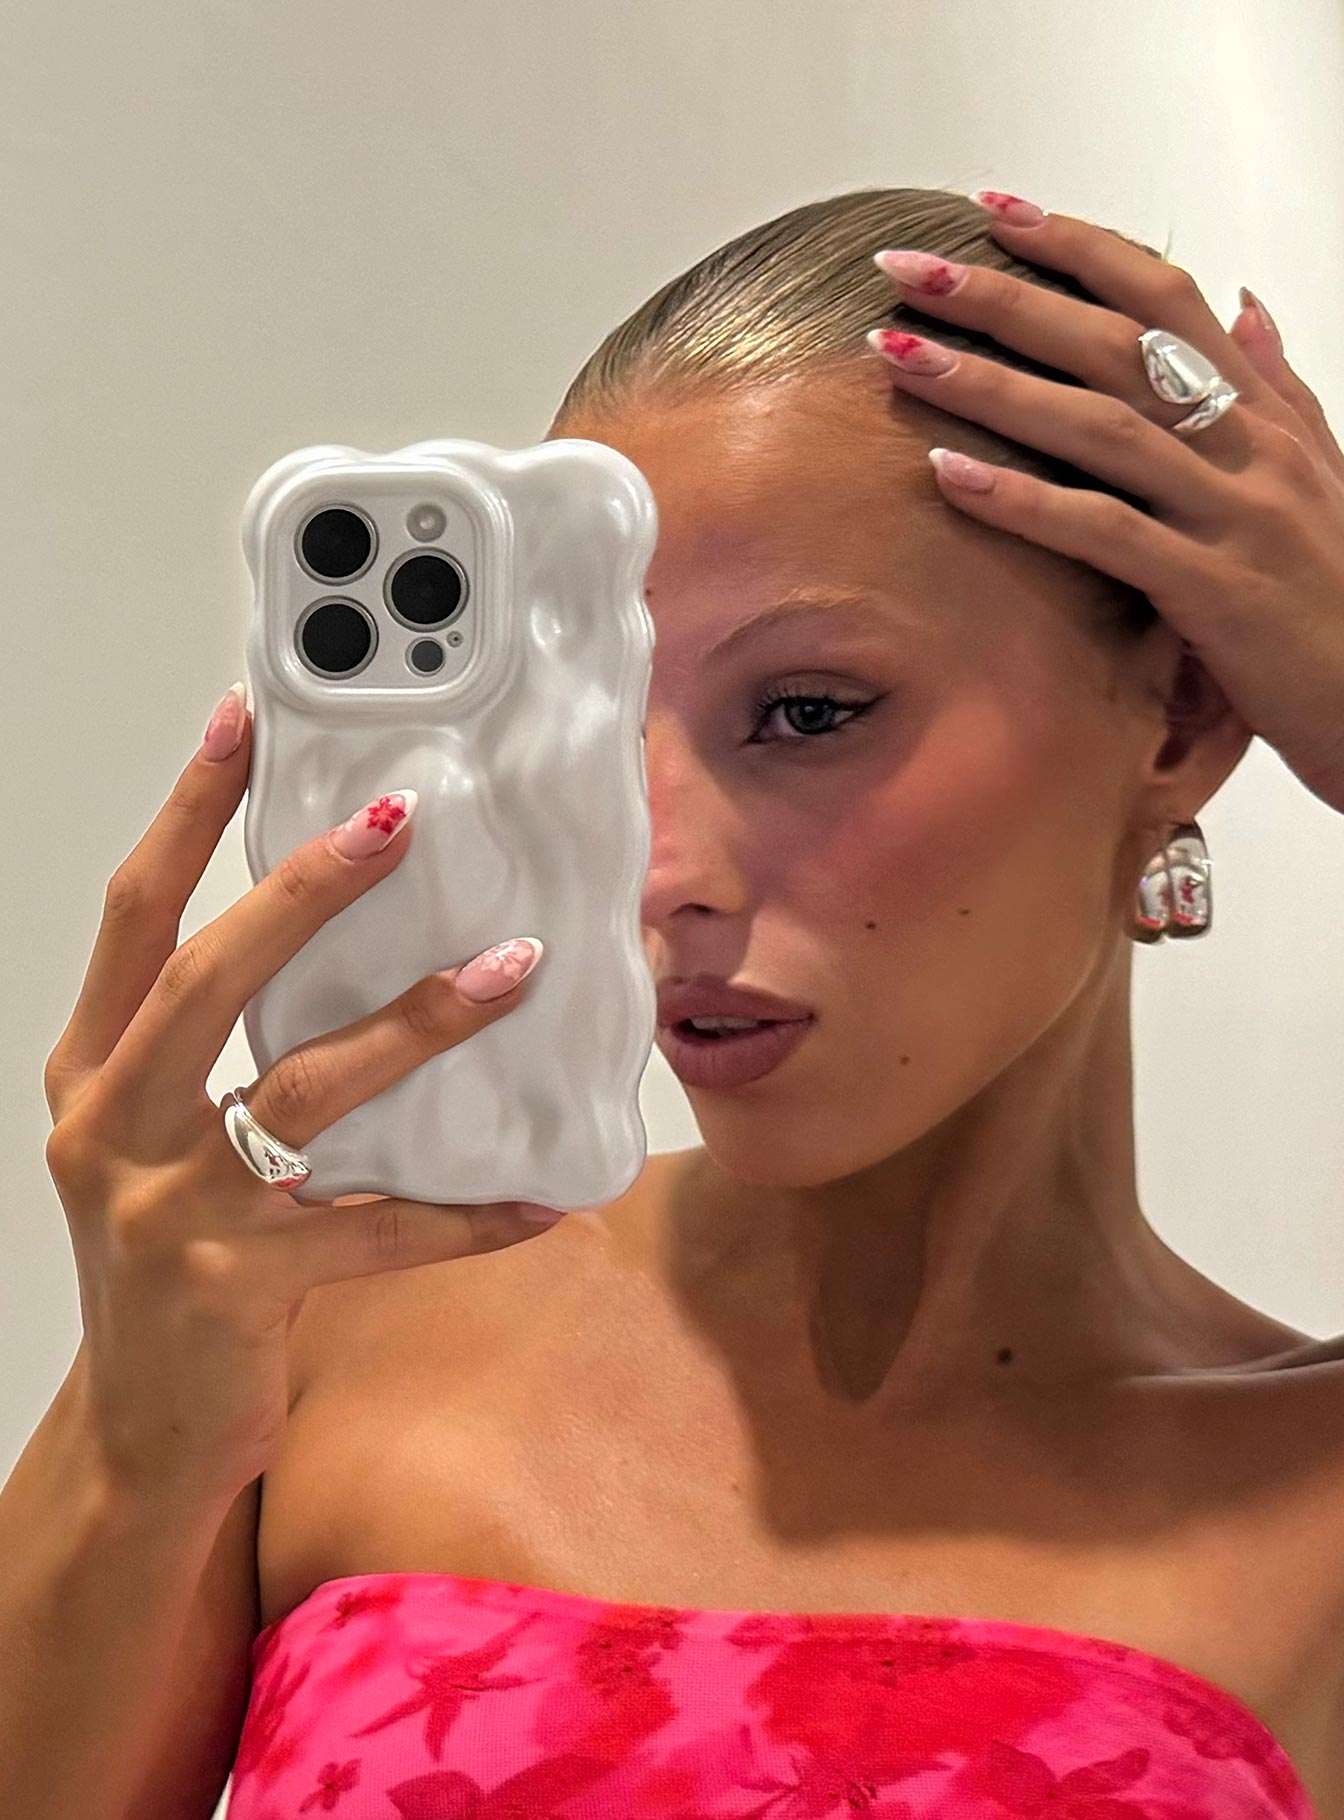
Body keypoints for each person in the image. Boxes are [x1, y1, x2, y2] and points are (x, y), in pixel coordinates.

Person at [1, 186, 1334, 1819]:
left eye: (808, 710)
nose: (658, 867)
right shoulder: (318, 1327)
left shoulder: (1311, 1499)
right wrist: (140, 1445)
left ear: (1182, 713)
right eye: (592, 725)